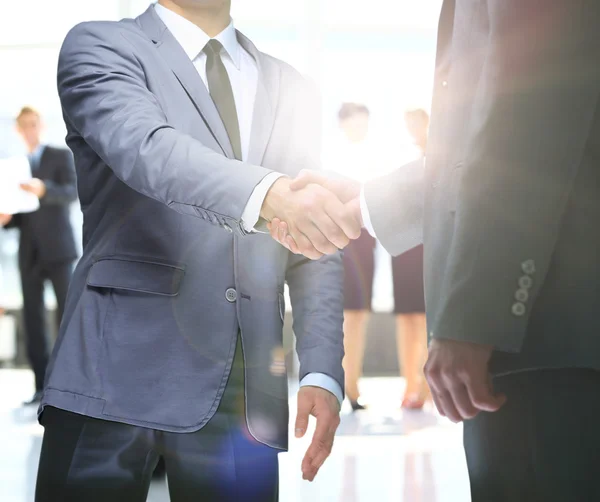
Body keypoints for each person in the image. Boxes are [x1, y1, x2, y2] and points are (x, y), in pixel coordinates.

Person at [269, 0, 600, 500]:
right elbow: (478, 148)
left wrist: (474, 318)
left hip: (542, 338)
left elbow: (524, 126)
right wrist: (364, 204)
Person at [34, 1, 358, 500]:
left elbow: (314, 233)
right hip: (113, 369)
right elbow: (147, 149)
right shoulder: (101, 45)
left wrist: (322, 368)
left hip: (245, 385)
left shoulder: (293, 86)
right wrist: (271, 195)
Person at [0, 106, 77, 405]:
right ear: (18, 131)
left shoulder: (59, 155)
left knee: (65, 316)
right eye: (24, 126)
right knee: (33, 321)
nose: (30, 130)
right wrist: (8, 218)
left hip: (58, 249)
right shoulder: (16, 165)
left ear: (41, 126)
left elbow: (71, 192)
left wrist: (45, 189)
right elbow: (22, 212)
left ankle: (68, 385)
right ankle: (40, 386)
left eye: (33, 124)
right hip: (29, 252)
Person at [328, 103, 377, 411]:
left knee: (358, 316)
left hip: (365, 245)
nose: (362, 130)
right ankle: (338, 385)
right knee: (338, 317)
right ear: (344, 124)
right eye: (357, 123)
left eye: (365, 124)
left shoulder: (375, 161)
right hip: (339, 245)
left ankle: (352, 386)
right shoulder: (332, 160)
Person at [392, 109, 431, 410]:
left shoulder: (441, 155)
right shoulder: (395, 156)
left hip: (429, 245)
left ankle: (428, 386)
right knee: (407, 318)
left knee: (428, 319)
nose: (413, 130)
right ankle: (410, 384)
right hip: (403, 247)